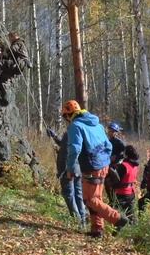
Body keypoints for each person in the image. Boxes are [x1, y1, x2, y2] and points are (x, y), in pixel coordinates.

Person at [62, 100, 129, 238]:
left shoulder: (76, 126)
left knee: (90, 200)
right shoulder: (97, 125)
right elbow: (109, 146)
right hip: (103, 166)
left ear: (69, 115)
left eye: (65, 117)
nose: (66, 120)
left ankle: (117, 219)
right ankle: (97, 230)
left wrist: (70, 168)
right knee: (96, 198)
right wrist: (104, 160)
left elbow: (75, 149)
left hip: (92, 167)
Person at [46, 128, 88, 226]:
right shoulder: (80, 132)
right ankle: (83, 222)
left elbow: (69, 152)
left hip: (68, 169)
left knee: (69, 195)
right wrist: (54, 136)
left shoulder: (72, 132)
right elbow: (64, 145)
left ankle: (77, 221)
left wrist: (63, 170)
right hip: (77, 169)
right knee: (78, 195)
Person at [108, 145, 140, 223]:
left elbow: (117, 180)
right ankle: (134, 230)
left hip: (121, 193)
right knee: (131, 215)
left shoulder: (123, 166)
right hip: (131, 193)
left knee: (114, 212)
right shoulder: (136, 166)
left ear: (126, 154)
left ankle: (115, 229)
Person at [104, 122, 126, 204]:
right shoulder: (106, 141)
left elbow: (125, 154)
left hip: (116, 167)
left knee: (115, 185)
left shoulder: (120, 143)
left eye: (113, 131)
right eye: (110, 131)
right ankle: (111, 201)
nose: (111, 133)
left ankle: (116, 202)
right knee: (107, 184)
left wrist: (116, 157)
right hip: (107, 165)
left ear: (116, 132)